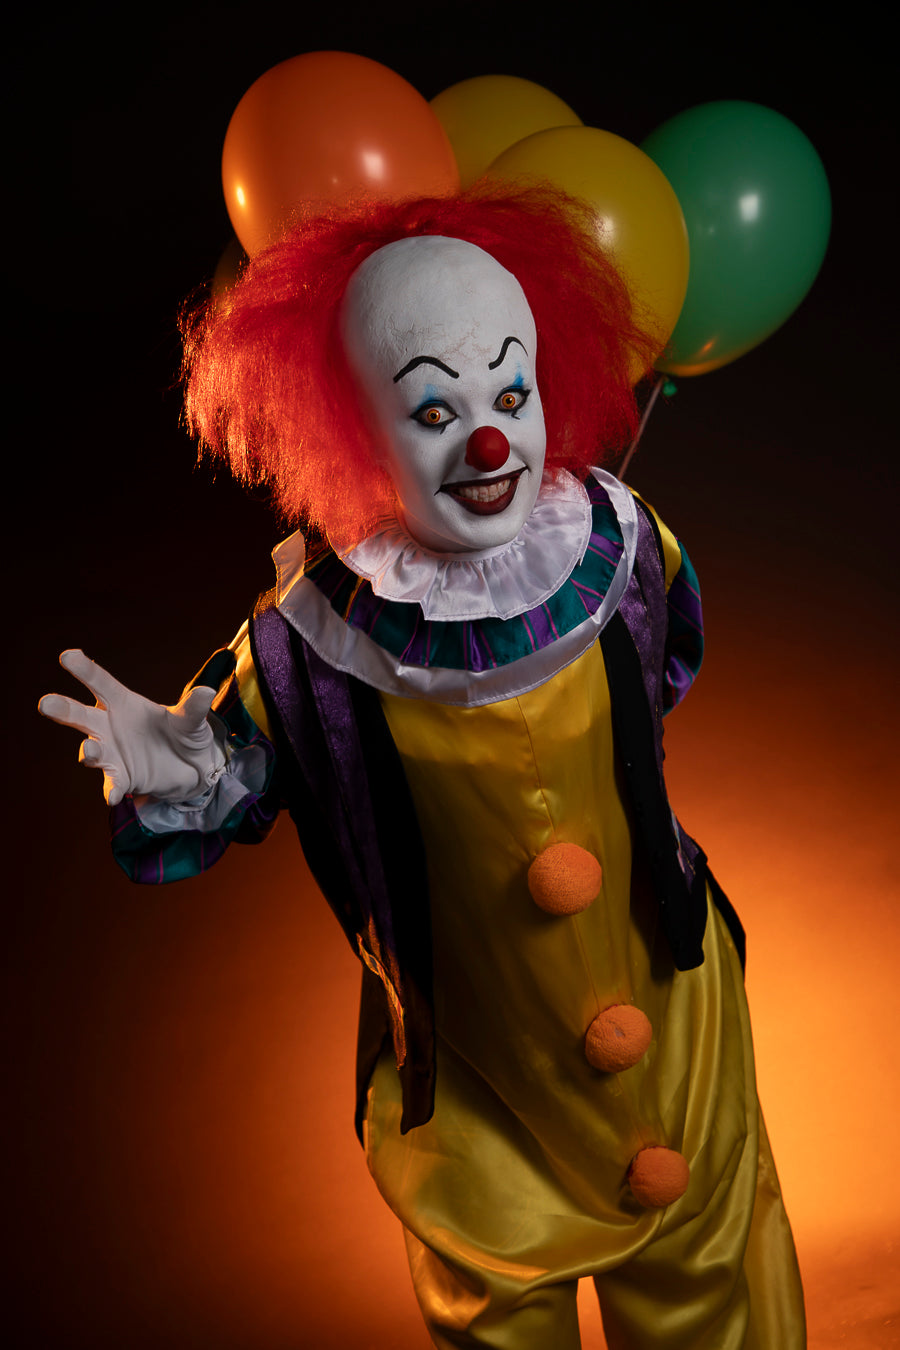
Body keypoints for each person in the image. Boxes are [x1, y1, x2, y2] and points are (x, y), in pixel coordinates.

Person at [39, 186, 805, 1348]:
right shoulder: (307, 644)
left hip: (681, 1028)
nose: (489, 442)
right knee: (497, 1310)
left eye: (512, 395)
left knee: (718, 1292)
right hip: (477, 1095)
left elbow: (663, 679)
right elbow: (223, 790)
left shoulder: (623, 545)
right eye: (435, 410)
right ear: (355, 427)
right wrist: (179, 770)